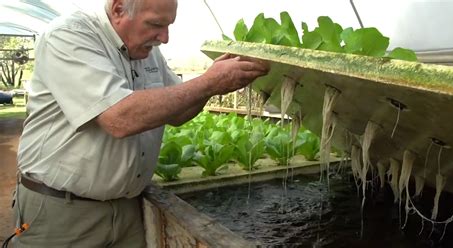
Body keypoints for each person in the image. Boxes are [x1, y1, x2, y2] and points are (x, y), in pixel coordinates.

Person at [12, 0, 268, 246]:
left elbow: (178, 113)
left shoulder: (148, 52)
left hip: (127, 210)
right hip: (62, 212)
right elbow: (119, 118)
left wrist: (213, 85)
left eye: (168, 26)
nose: (164, 37)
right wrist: (209, 82)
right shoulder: (68, 36)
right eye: (156, 24)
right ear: (119, 9)